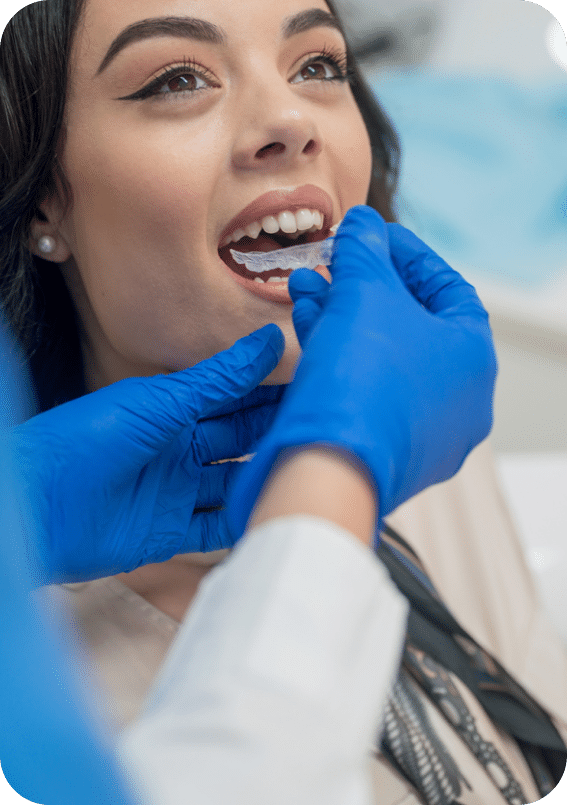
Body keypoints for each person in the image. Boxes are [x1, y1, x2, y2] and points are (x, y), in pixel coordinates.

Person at [1, 0, 566, 803]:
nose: (291, 118)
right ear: (44, 202)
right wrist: (335, 470)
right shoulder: (33, 698)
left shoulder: (434, 464)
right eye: (175, 79)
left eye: (317, 65)